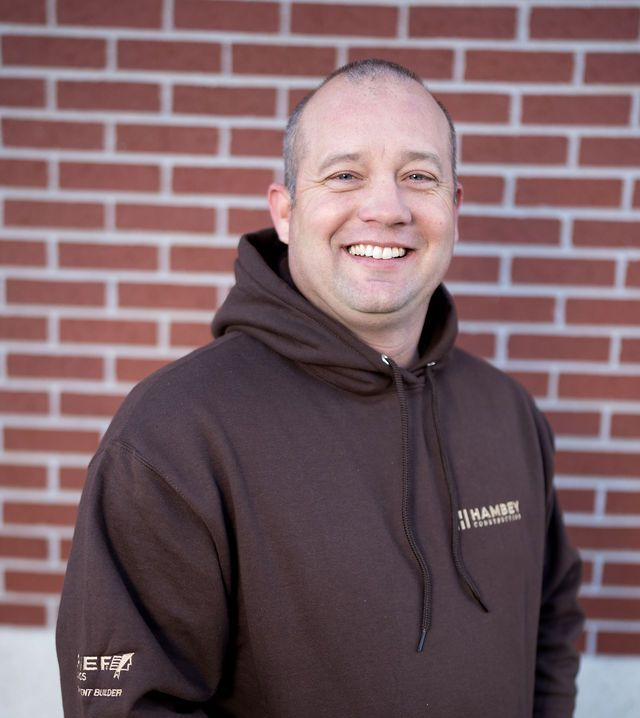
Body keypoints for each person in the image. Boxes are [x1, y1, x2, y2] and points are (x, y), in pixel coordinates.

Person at [57, 59, 584, 717]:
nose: (387, 209)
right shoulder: (175, 432)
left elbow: (552, 621)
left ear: (453, 209)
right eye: (345, 175)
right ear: (286, 212)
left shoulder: (507, 413)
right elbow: (123, 702)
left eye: (419, 177)